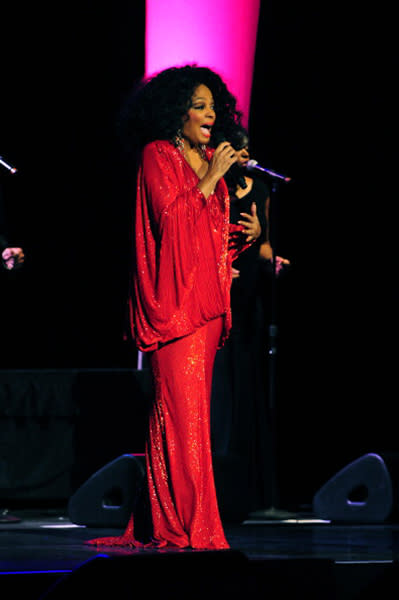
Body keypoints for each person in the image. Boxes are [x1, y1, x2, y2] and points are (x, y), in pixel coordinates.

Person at [86, 65, 261, 550]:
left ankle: (170, 522)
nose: (210, 115)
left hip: (202, 307)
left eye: (213, 106)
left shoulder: (206, 159)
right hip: (173, 308)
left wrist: (245, 237)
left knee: (188, 419)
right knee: (181, 418)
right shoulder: (158, 155)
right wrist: (214, 174)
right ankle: (189, 525)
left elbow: (205, 237)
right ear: (175, 111)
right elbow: (171, 220)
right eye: (200, 105)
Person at [210, 124, 290, 514]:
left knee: (248, 378)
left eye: (246, 150)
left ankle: (250, 482)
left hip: (249, 294)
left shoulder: (259, 188)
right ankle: (218, 479)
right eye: (236, 150)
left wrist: (268, 252)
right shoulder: (214, 186)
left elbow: (265, 242)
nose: (244, 156)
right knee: (220, 381)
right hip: (218, 289)